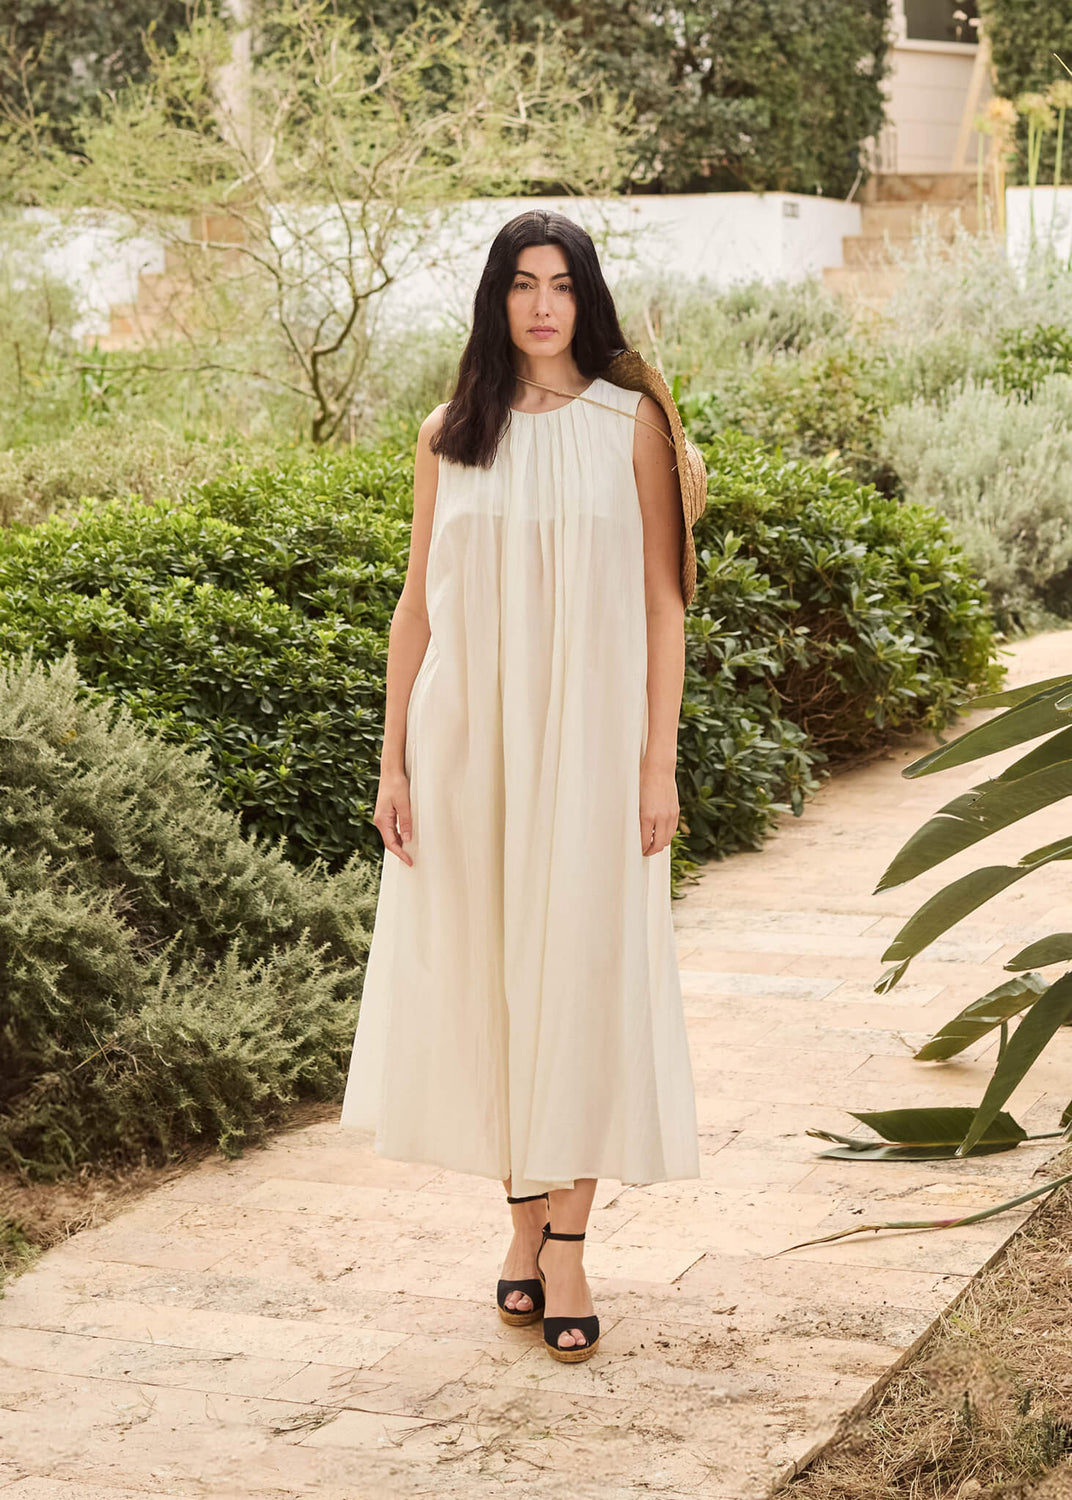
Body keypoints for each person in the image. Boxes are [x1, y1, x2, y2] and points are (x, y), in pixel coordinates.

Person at [339, 208, 701, 1364]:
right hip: (467, 746)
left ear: (585, 300)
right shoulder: (449, 431)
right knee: (500, 980)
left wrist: (658, 762)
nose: (542, 304)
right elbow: (417, 607)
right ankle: (519, 1229)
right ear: (495, 302)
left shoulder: (628, 423)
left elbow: (662, 603)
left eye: (561, 283)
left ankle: (570, 1247)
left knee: (580, 976)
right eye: (521, 284)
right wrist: (393, 759)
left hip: (592, 745)